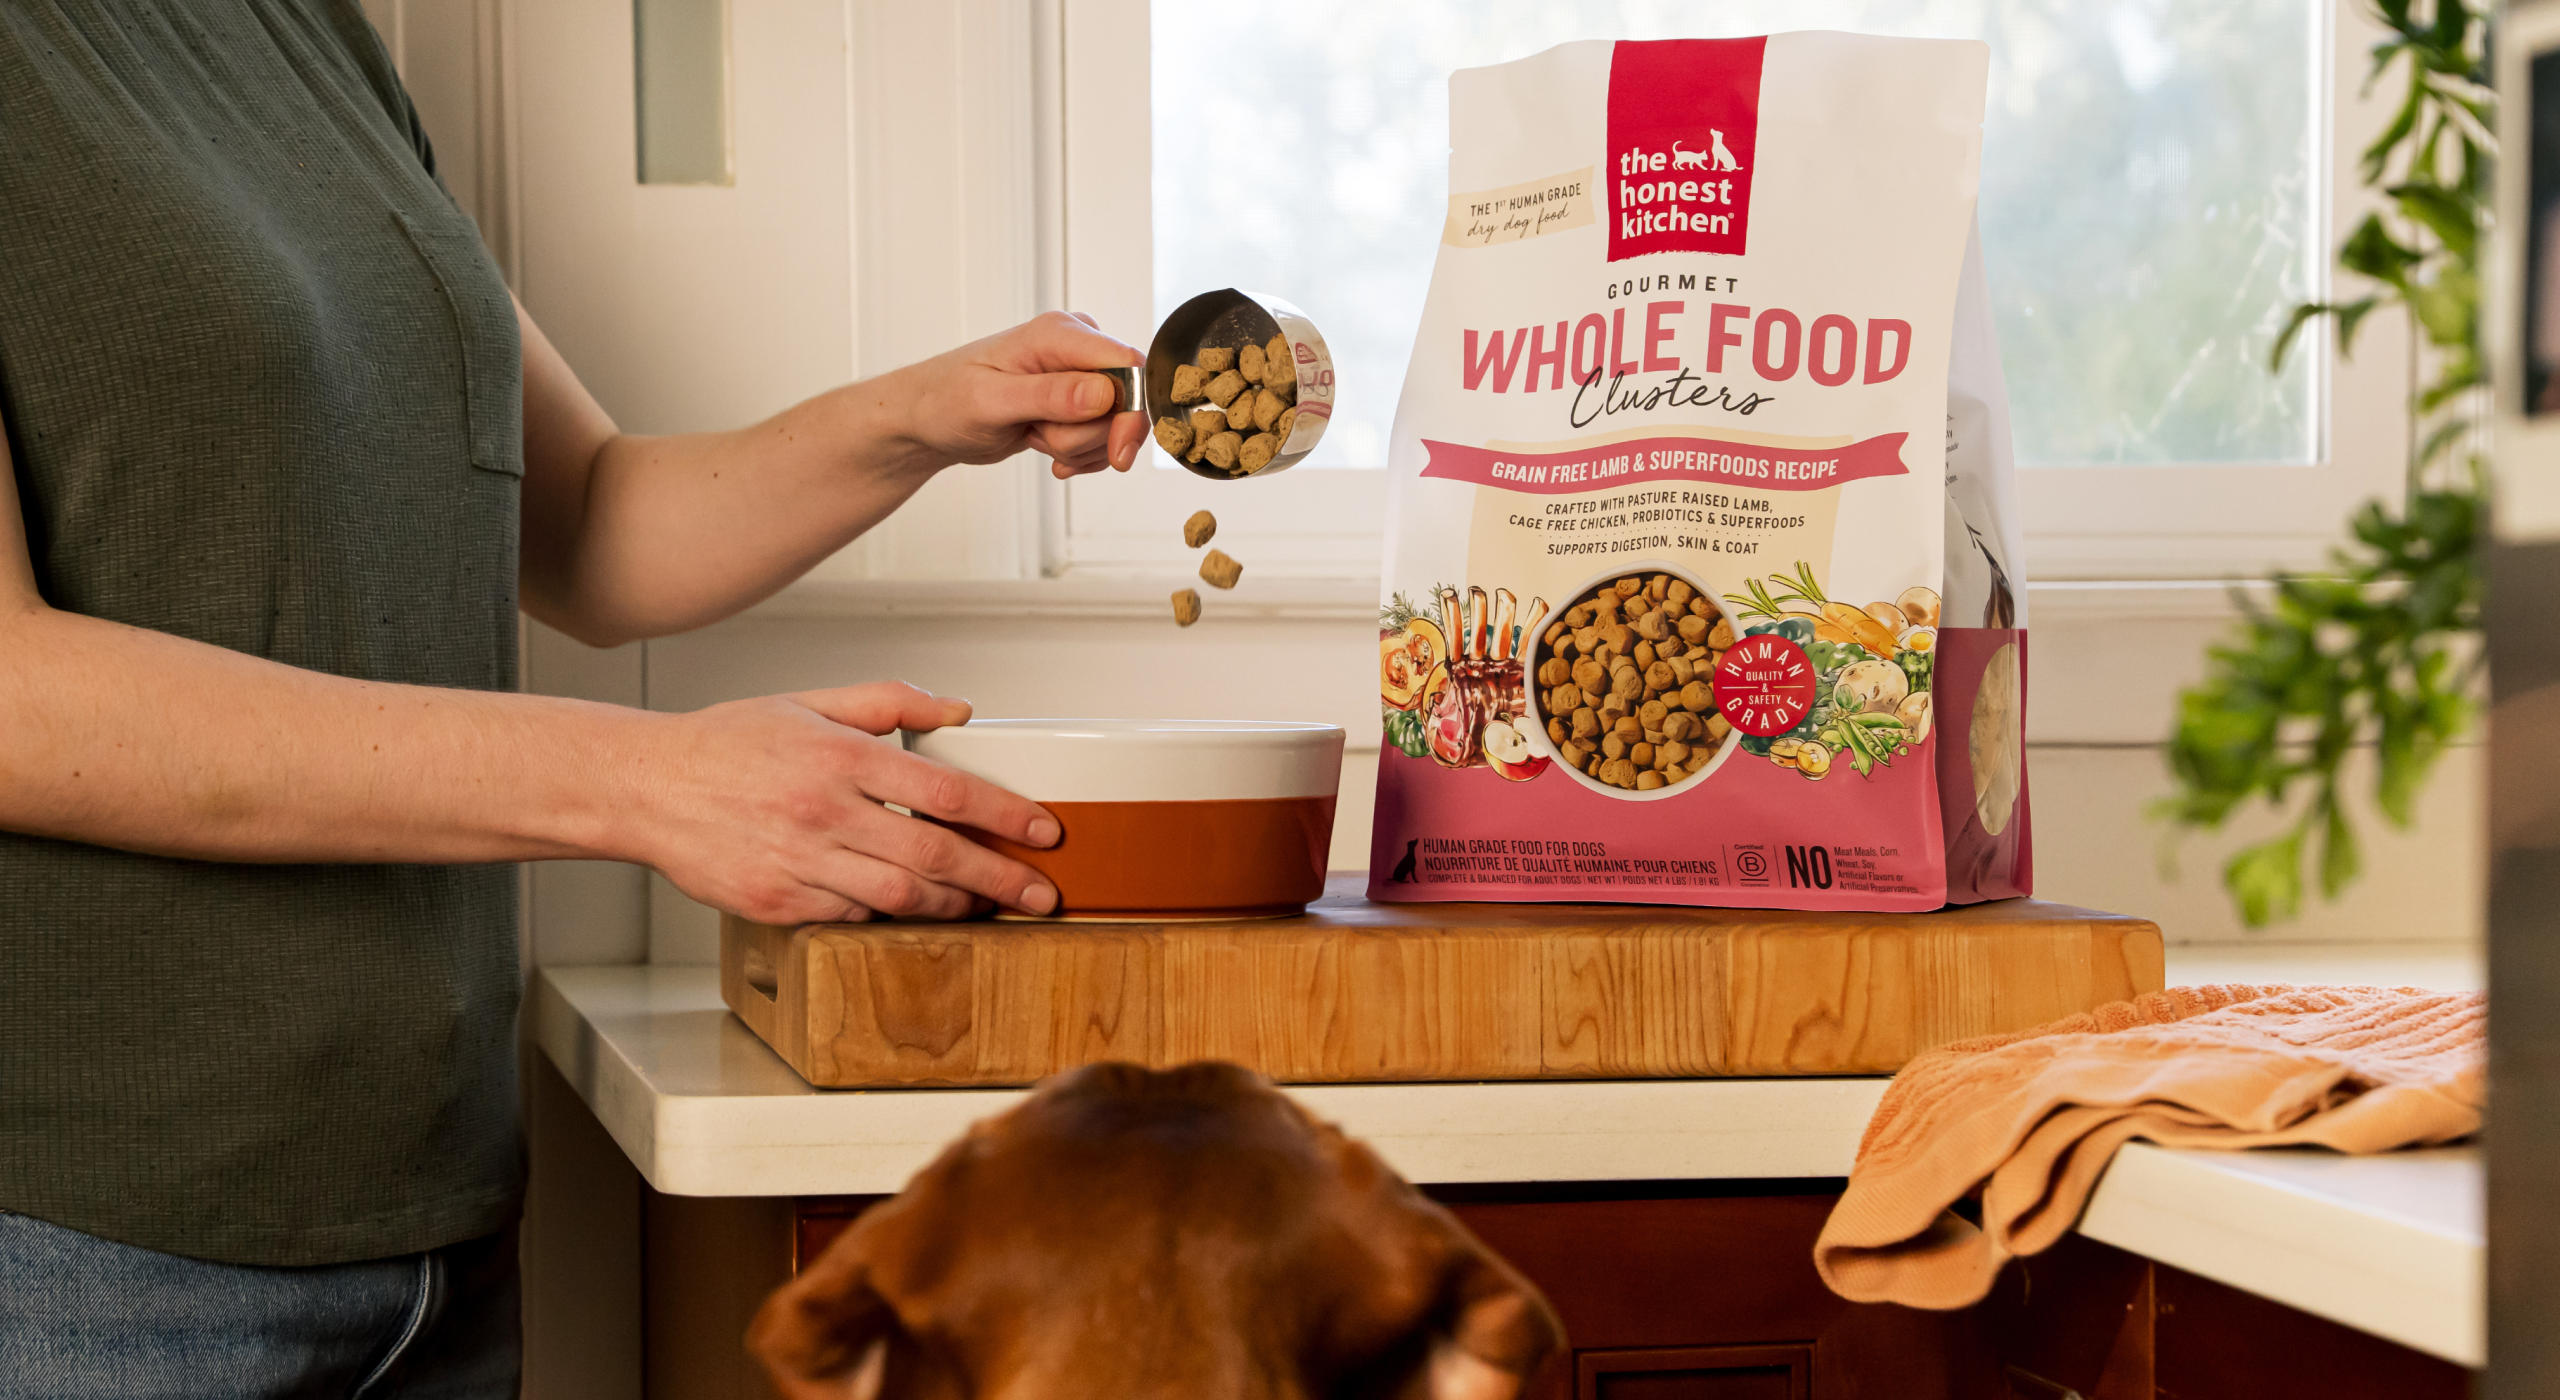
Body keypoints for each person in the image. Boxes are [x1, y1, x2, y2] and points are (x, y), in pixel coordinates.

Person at [0, 3, 1145, 1393]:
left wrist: (919, 415)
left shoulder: (304, 33)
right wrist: (650, 783)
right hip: (79, 1249)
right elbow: (18, 699)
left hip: (433, 1217)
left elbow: (589, 526)